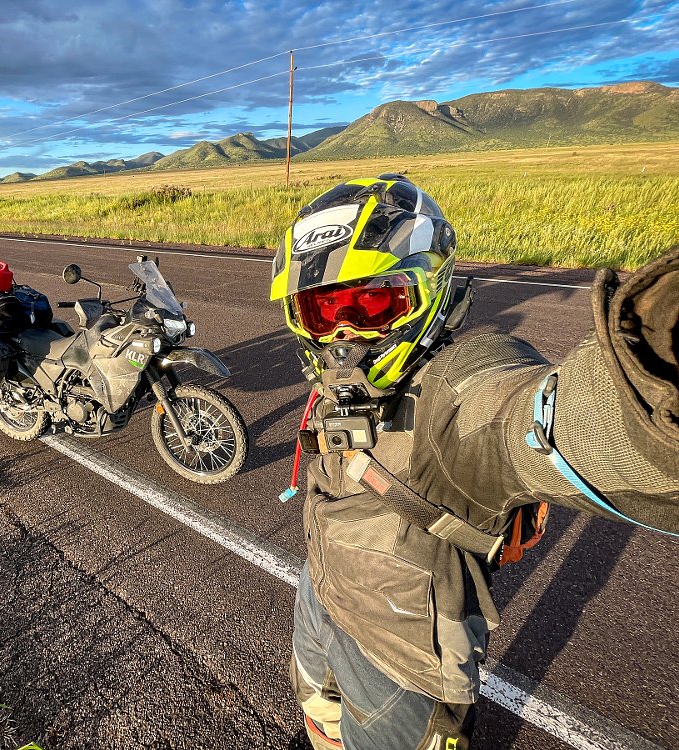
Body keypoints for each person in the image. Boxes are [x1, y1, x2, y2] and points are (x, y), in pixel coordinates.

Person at [269, 174, 679, 749]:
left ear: (426, 288)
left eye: (370, 302)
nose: (343, 337)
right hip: (321, 590)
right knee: (320, 722)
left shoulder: (456, 392)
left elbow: (537, 418)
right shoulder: (346, 390)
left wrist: (651, 375)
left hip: (402, 660)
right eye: (321, 312)